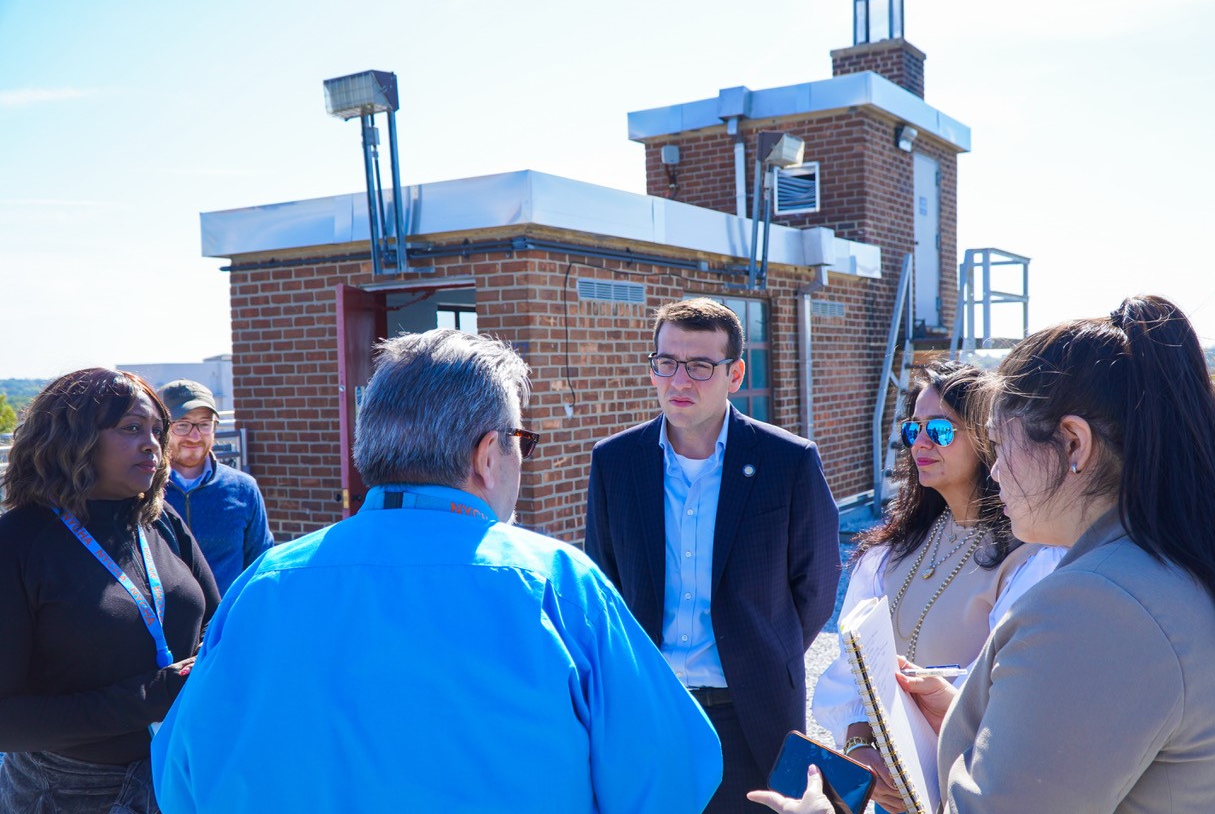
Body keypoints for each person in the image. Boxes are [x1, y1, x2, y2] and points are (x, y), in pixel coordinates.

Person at [151, 329, 723, 813]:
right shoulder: (557, 584)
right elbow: (674, 779)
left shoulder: (266, 584)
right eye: (520, 441)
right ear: (486, 453)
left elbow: (179, 779)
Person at [761, 295, 1215, 813]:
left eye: (1000, 443)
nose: (995, 470)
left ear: (1074, 444)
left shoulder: (1091, 606)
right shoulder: (1194, 566)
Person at [585, 297, 841, 813]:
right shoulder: (614, 462)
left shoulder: (788, 461)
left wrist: (764, 649)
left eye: (701, 366)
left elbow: (815, 587)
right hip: (653, 708)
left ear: (735, 374)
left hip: (752, 714)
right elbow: (605, 583)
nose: (680, 381)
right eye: (666, 363)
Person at [810, 360, 1063, 808]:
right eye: (914, 429)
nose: (921, 443)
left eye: (942, 431)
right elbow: (850, 670)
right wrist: (859, 750)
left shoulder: (1032, 557)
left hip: (977, 789)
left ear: (989, 439)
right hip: (895, 792)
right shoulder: (891, 548)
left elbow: (1010, 690)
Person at [0, 368, 220, 813]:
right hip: (67, 792)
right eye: (131, 428)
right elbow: (7, 721)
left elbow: (217, 627)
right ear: (72, 437)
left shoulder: (161, 523)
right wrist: (150, 697)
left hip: (179, 771)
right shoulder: (18, 542)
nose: (153, 444)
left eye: (157, 430)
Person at [158, 379, 273, 594]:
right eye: (182, 424)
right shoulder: (142, 490)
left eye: (204, 424)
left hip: (225, 622)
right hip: (162, 624)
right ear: (162, 428)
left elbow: (261, 566)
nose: (194, 436)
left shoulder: (243, 489)